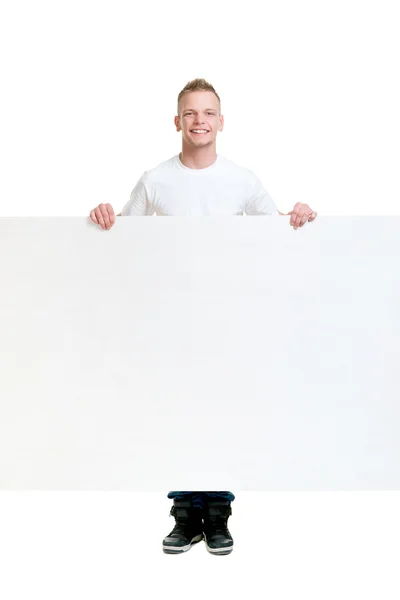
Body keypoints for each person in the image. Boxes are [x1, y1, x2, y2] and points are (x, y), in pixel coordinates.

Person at [89, 78, 317, 556]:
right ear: (177, 122)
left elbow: (272, 230)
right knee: (176, 408)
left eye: (208, 112)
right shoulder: (156, 179)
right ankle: (183, 514)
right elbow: (125, 237)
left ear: (221, 121)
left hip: (227, 316)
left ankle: (217, 514)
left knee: (222, 409)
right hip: (170, 318)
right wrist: (105, 215)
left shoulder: (241, 179)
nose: (199, 120)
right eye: (190, 113)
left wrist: (297, 216)